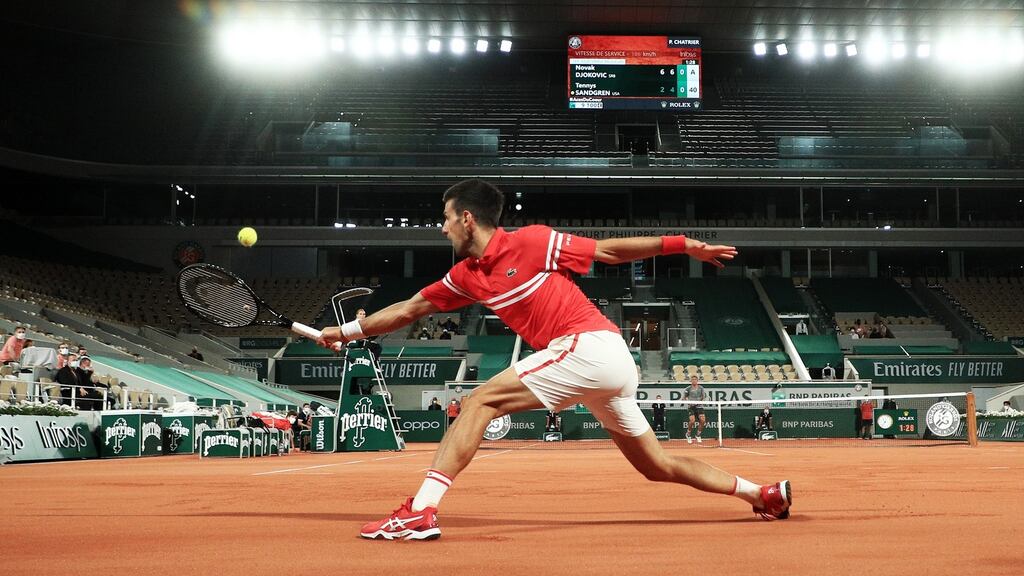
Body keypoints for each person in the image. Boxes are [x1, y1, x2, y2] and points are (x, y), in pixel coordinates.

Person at [318, 179, 790, 540]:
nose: (440, 227)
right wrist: (345, 331)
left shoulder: (531, 241)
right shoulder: (465, 276)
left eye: (444, 218)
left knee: (480, 402)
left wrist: (683, 244)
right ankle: (759, 494)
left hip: (588, 346)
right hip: (604, 365)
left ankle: (421, 510)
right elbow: (410, 308)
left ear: (466, 218)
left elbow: (606, 251)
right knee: (655, 465)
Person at [683, 376, 707, 444]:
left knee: (703, 420)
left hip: (699, 406)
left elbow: (703, 397)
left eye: (695, 379)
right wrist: (689, 402)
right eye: (692, 379)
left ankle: (698, 434)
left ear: (697, 381)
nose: (694, 381)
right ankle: (688, 434)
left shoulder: (701, 388)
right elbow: (684, 397)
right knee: (692, 421)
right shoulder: (688, 389)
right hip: (691, 407)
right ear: (691, 381)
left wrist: (699, 402)